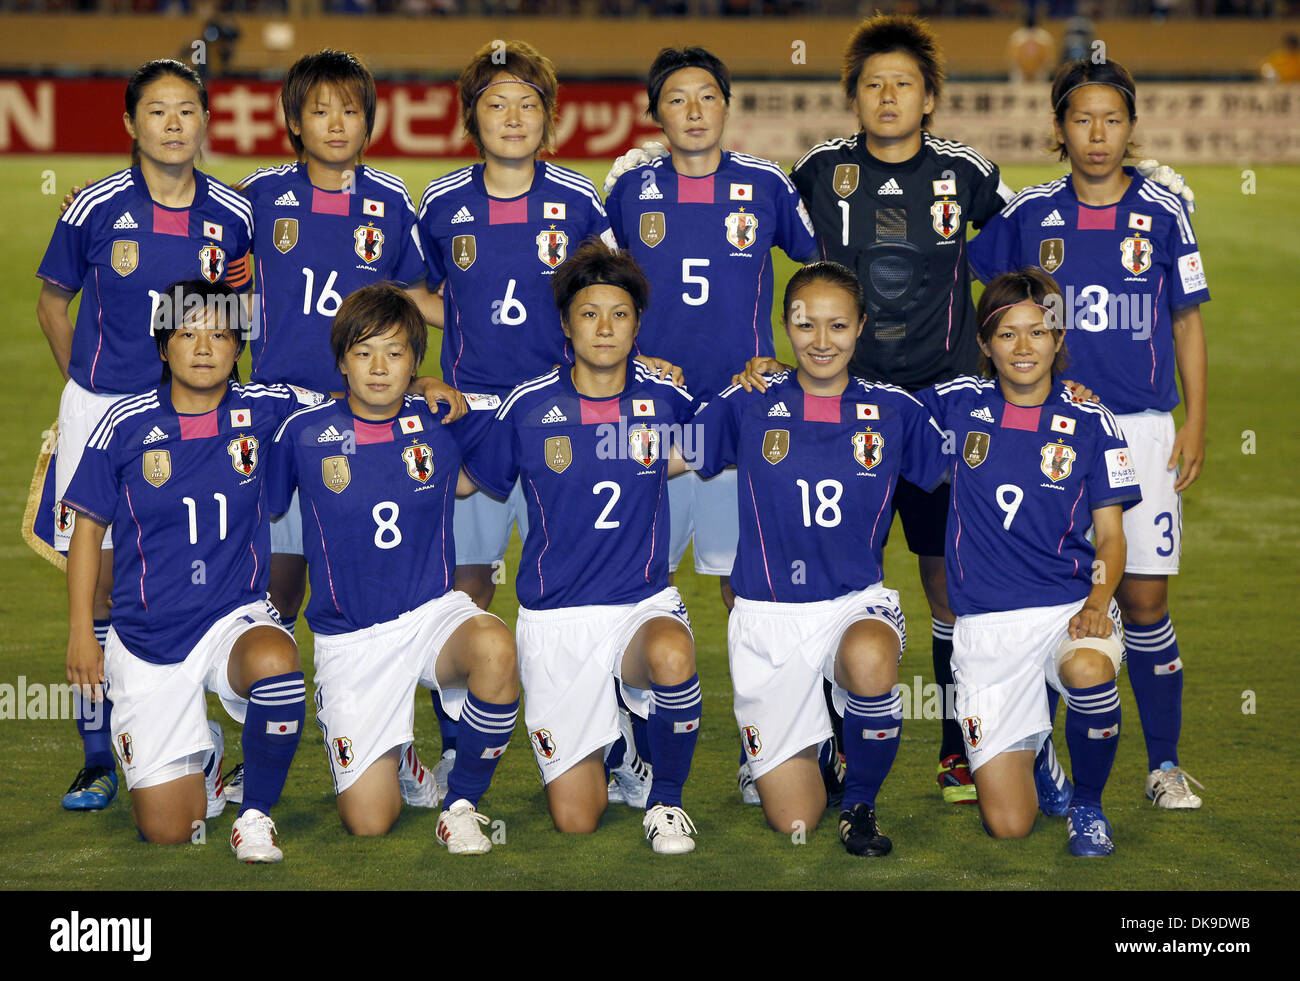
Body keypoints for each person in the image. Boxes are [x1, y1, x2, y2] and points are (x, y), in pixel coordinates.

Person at [751, 14, 1016, 806]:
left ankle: (956, 746)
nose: (889, 95)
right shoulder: (817, 171)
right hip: (841, 412)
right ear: (853, 97)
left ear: (930, 96)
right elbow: (750, 244)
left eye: (904, 83)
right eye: (873, 84)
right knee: (834, 583)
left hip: (938, 406)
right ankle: (827, 744)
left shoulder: (965, 172)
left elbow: (1024, 250)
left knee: (947, 585)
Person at [416, 40, 670, 796]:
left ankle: (622, 744)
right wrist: (449, 335)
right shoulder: (439, 204)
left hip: (567, 414)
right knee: (464, 586)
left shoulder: (581, 201)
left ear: (549, 118)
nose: (513, 117)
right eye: (496, 103)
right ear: (472, 118)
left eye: (529, 104)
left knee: (593, 578)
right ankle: (463, 742)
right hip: (477, 419)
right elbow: (423, 292)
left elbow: (606, 297)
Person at [968, 59, 1210, 811]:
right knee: (1055, 597)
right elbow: (981, 286)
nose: (1097, 134)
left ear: (1132, 127)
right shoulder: (1031, 214)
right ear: (1059, 129)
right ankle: (1045, 752)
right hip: (1049, 430)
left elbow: (1186, 320)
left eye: (1112, 119)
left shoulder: (1165, 210)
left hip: (1140, 429)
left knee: (1141, 598)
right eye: (1081, 119)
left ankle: (1163, 764)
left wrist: (1195, 418)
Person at [602, 45, 821, 807]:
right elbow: (593, 289)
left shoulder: (764, 185)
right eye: (677, 100)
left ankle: (768, 744)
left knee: (747, 591)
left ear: (727, 107)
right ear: (655, 114)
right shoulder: (629, 189)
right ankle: (627, 745)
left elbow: (826, 271)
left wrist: (790, 357)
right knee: (634, 585)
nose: (693, 112)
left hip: (738, 416)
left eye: (706, 97)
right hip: (648, 421)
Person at [36, 58, 254, 813]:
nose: (172, 124)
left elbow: (240, 315)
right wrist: (90, 386)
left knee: (181, 566)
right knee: (94, 583)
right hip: (101, 410)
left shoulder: (232, 215)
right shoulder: (92, 206)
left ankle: (193, 720)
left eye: (186, 110)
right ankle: (97, 758)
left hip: (193, 417)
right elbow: (53, 303)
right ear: (130, 125)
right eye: (156, 111)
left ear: (204, 122)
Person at [695, 262, 948, 856]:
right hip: (767, 618)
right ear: (785, 326)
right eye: (806, 325)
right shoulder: (748, 401)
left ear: (861, 327)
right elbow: (675, 450)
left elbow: (970, 463)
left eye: (839, 325)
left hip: (852, 604)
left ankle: (861, 803)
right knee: (795, 820)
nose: (822, 340)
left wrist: (1060, 398)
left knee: (867, 659)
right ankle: (823, 745)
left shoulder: (893, 410)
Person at [62, 280, 318, 861]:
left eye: (220, 335)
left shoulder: (268, 410)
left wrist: (424, 384)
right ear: (162, 347)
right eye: (186, 333)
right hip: (148, 638)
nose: (203, 347)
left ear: (238, 347)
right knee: (169, 831)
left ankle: (255, 816)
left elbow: (359, 395)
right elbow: (88, 531)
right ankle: (202, 754)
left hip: (233, 619)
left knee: (277, 664)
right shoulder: (124, 424)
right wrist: (82, 630)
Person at [462, 241, 702, 854]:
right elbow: (471, 478)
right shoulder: (528, 406)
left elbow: (709, 446)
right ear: (566, 324)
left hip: (638, 607)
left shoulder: (667, 398)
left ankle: (666, 802)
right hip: (555, 620)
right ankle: (619, 744)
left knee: (673, 654)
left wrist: (763, 379)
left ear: (638, 325)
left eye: (620, 314)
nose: (604, 327)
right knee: (577, 819)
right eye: (589, 313)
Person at [267, 285, 518, 850]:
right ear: (341, 362)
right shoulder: (303, 433)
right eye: (363, 352)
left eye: (396, 352)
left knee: (496, 648)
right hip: (351, 640)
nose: (379, 367)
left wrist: (436, 392)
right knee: (369, 822)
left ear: (415, 361)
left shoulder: (443, 420)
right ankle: (400, 753)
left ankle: (462, 805)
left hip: (430, 616)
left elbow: (513, 416)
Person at [917, 268, 1142, 855]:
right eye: (1008, 334)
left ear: (1059, 338)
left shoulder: (1093, 419)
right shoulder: (952, 406)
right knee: (1009, 825)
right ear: (985, 344)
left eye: (1039, 333)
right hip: (986, 630)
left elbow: (1112, 538)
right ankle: (1039, 746)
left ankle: (1089, 807)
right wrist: (772, 377)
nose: (1024, 348)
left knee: (1089, 674)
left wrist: (1098, 604)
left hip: (1067, 609)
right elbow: (859, 403)